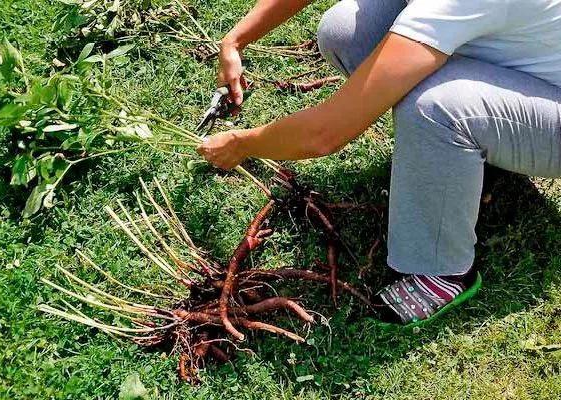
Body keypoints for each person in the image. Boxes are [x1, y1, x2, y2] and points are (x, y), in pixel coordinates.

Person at [196, 0, 561, 326]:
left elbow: (324, 134)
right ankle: (465, 154)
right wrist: (236, 40)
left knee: (436, 107)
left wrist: (241, 143)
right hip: (523, 59)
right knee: (346, 30)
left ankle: (443, 272)